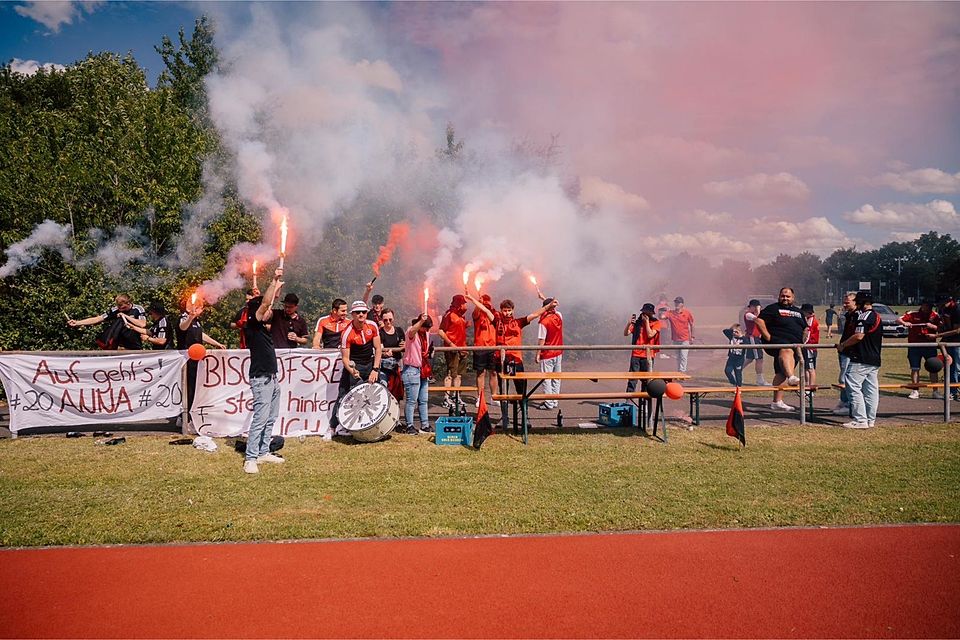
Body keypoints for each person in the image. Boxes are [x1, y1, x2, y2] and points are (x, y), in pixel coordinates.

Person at [242, 269, 287, 474]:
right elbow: (266, 304)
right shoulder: (253, 323)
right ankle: (250, 458)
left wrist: (275, 288)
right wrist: (274, 280)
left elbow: (270, 302)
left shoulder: (260, 326)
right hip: (260, 378)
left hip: (271, 377)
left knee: (271, 416)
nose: (270, 312)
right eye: (265, 309)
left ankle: (263, 451)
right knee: (260, 417)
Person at [494, 298, 554, 426]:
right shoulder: (497, 322)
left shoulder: (518, 322)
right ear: (501, 311)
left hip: (516, 359)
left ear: (512, 310)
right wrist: (472, 298)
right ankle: (504, 417)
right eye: (504, 311)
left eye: (509, 310)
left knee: (521, 389)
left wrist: (548, 306)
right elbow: (485, 311)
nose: (507, 313)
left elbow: (534, 315)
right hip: (501, 359)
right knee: (503, 390)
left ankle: (525, 416)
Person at [334, 300, 383, 435]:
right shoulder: (346, 333)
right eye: (357, 312)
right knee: (346, 396)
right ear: (353, 314)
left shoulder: (372, 325)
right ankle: (335, 427)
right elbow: (345, 358)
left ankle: (373, 425)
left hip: (370, 364)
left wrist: (375, 369)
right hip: (355, 365)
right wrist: (352, 371)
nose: (361, 314)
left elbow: (378, 349)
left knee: (374, 394)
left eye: (364, 312)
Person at [835, 291, 883, 429]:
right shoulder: (877, 316)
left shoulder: (864, 316)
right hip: (874, 358)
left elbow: (859, 336)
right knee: (871, 390)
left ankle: (860, 419)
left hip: (861, 358)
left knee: (853, 387)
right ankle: (870, 419)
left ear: (861, 302)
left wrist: (843, 345)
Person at [754, 287, 806, 412]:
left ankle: (777, 402)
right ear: (779, 296)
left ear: (793, 298)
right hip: (778, 342)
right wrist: (767, 336)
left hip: (796, 346)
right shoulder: (773, 308)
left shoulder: (798, 312)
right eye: (783, 296)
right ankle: (792, 377)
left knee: (781, 372)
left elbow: (805, 328)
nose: (785, 298)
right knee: (786, 349)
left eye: (788, 296)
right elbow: (759, 320)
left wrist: (802, 341)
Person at [177, 295, 227, 412]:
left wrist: (216, 343)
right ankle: (184, 415)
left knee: (196, 387)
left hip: (197, 359)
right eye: (200, 308)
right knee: (188, 387)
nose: (201, 310)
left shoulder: (197, 321)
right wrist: (190, 318)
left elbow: (201, 335)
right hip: (187, 359)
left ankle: (192, 412)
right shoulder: (184, 317)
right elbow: (182, 327)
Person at [67, 294, 145, 350]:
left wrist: (125, 316)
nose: (120, 309)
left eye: (122, 307)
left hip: (134, 345)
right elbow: (98, 319)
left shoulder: (138, 309)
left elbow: (142, 324)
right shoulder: (115, 310)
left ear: (128, 303)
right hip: (119, 346)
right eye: (118, 307)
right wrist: (77, 323)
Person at [899, 301, 942, 399]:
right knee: (915, 368)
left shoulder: (935, 315)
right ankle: (915, 390)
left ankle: (935, 391)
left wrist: (933, 327)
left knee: (934, 368)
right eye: (926, 306)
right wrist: (905, 323)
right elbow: (899, 320)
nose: (928, 308)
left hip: (929, 346)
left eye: (930, 306)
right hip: (915, 345)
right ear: (922, 306)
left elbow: (941, 328)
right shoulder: (913, 314)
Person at [401, 314, 434, 434]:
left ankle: (424, 424)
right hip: (411, 369)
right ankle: (409, 425)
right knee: (411, 400)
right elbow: (412, 330)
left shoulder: (426, 334)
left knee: (423, 400)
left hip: (423, 368)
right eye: (426, 327)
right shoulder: (412, 332)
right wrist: (421, 321)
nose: (427, 330)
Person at [438, 294, 469, 412]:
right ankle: (446, 397)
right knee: (451, 373)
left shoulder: (461, 316)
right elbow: (441, 331)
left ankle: (457, 396)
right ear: (458, 304)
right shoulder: (449, 315)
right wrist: (450, 343)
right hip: (452, 349)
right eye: (463, 303)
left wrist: (466, 325)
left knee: (459, 375)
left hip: (462, 349)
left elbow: (458, 329)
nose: (465, 306)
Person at [467, 292, 498, 409]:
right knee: (480, 373)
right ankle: (480, 397)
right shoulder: (477, 314)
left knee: (494, 372)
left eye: (487, 302)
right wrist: (478, 304)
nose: (486, 304)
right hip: (480, 347)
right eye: (484, 302)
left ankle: (494, 396)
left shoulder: (494, 314)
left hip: (493, 347)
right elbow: (475, 313)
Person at [623, 303, 661, 392]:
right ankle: (629, 399)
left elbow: (650, 334)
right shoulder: (637, 323)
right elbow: (626, 333)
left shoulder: (656, 323)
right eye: (644, 312)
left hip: (648, 355)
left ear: (651, 313)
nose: (645, 315)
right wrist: (629, 323)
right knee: (633, 379)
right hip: (636, 354)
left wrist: (647, 322)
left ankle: (644, 401)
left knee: (646, 379)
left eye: (647, 313)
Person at [832, 292, 858, 416]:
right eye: (844, 302)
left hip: (851, 351)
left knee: (846, 378)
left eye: (847, 302)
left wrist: (844, 345)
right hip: (843, 350)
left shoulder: (859, 316)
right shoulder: (848, 315)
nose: (844, 304)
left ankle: (848, 404)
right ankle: (843, 401)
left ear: (855, 302)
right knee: (842, 377)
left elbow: (857, 336)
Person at [536, 297, 564, 410]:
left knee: (546, 378)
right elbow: (554, 308)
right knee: (556, 377)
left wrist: (538, 353)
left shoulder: (544, 322)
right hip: (558, 352)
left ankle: (548, 402)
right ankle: (554, 400)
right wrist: (544, 298)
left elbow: (541, 340)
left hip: (547, 354)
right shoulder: (559, 315)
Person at [936, 296, 960, 401]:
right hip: (947, 341)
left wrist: (937, 336)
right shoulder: (944, 309)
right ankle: (951, 390)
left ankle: (954, 392)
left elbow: (957, 330)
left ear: (950, 301)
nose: (940, 305)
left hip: (957, 342)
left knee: (956, 367)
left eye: (942, 302)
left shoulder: (957, 309)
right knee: (948, 366)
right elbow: (943, 326)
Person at [378, 308, 405, 400]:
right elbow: (380, 349)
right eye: (385, 320)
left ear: (393, 318)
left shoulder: (399, 331)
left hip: (397, 365)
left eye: (390, 319)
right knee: (384, 388)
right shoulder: (380, 332)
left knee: (397, 390)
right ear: (382, 320)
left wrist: (404, 345)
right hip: (384, 366)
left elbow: (404, 344)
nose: (388, 322)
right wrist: (384, 353)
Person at [741, 299, 769, 385]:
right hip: (753, 338)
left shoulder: (753, 314)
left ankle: (736, 370)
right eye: (756, 307)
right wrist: (758, 310)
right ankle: (760, 380)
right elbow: (758, 320)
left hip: (756, 338)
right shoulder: (748, 314)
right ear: (752, 307)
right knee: (759, 359)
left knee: (749, 359)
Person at [664, 296, 695, 372]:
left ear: (682, 304)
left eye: (678, 302)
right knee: (678, 357)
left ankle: (682, 372)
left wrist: (692, 336)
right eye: (676, 302)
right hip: (675, 339)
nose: (677, 304)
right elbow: (662, 317)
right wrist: (662, 312)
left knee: (683, 356)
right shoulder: (670, 313)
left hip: (685, 339)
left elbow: (692, 324)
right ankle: (679, 371)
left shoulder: (687, 313)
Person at [801, 303, 820, 397]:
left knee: (811, 369)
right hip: (807, 347)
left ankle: (811, 389)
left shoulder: (811, 321)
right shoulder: (808, 319)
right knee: (806, 368)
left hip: (810, 348)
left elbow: (807, 335)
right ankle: (807, 386)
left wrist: (802, 344)